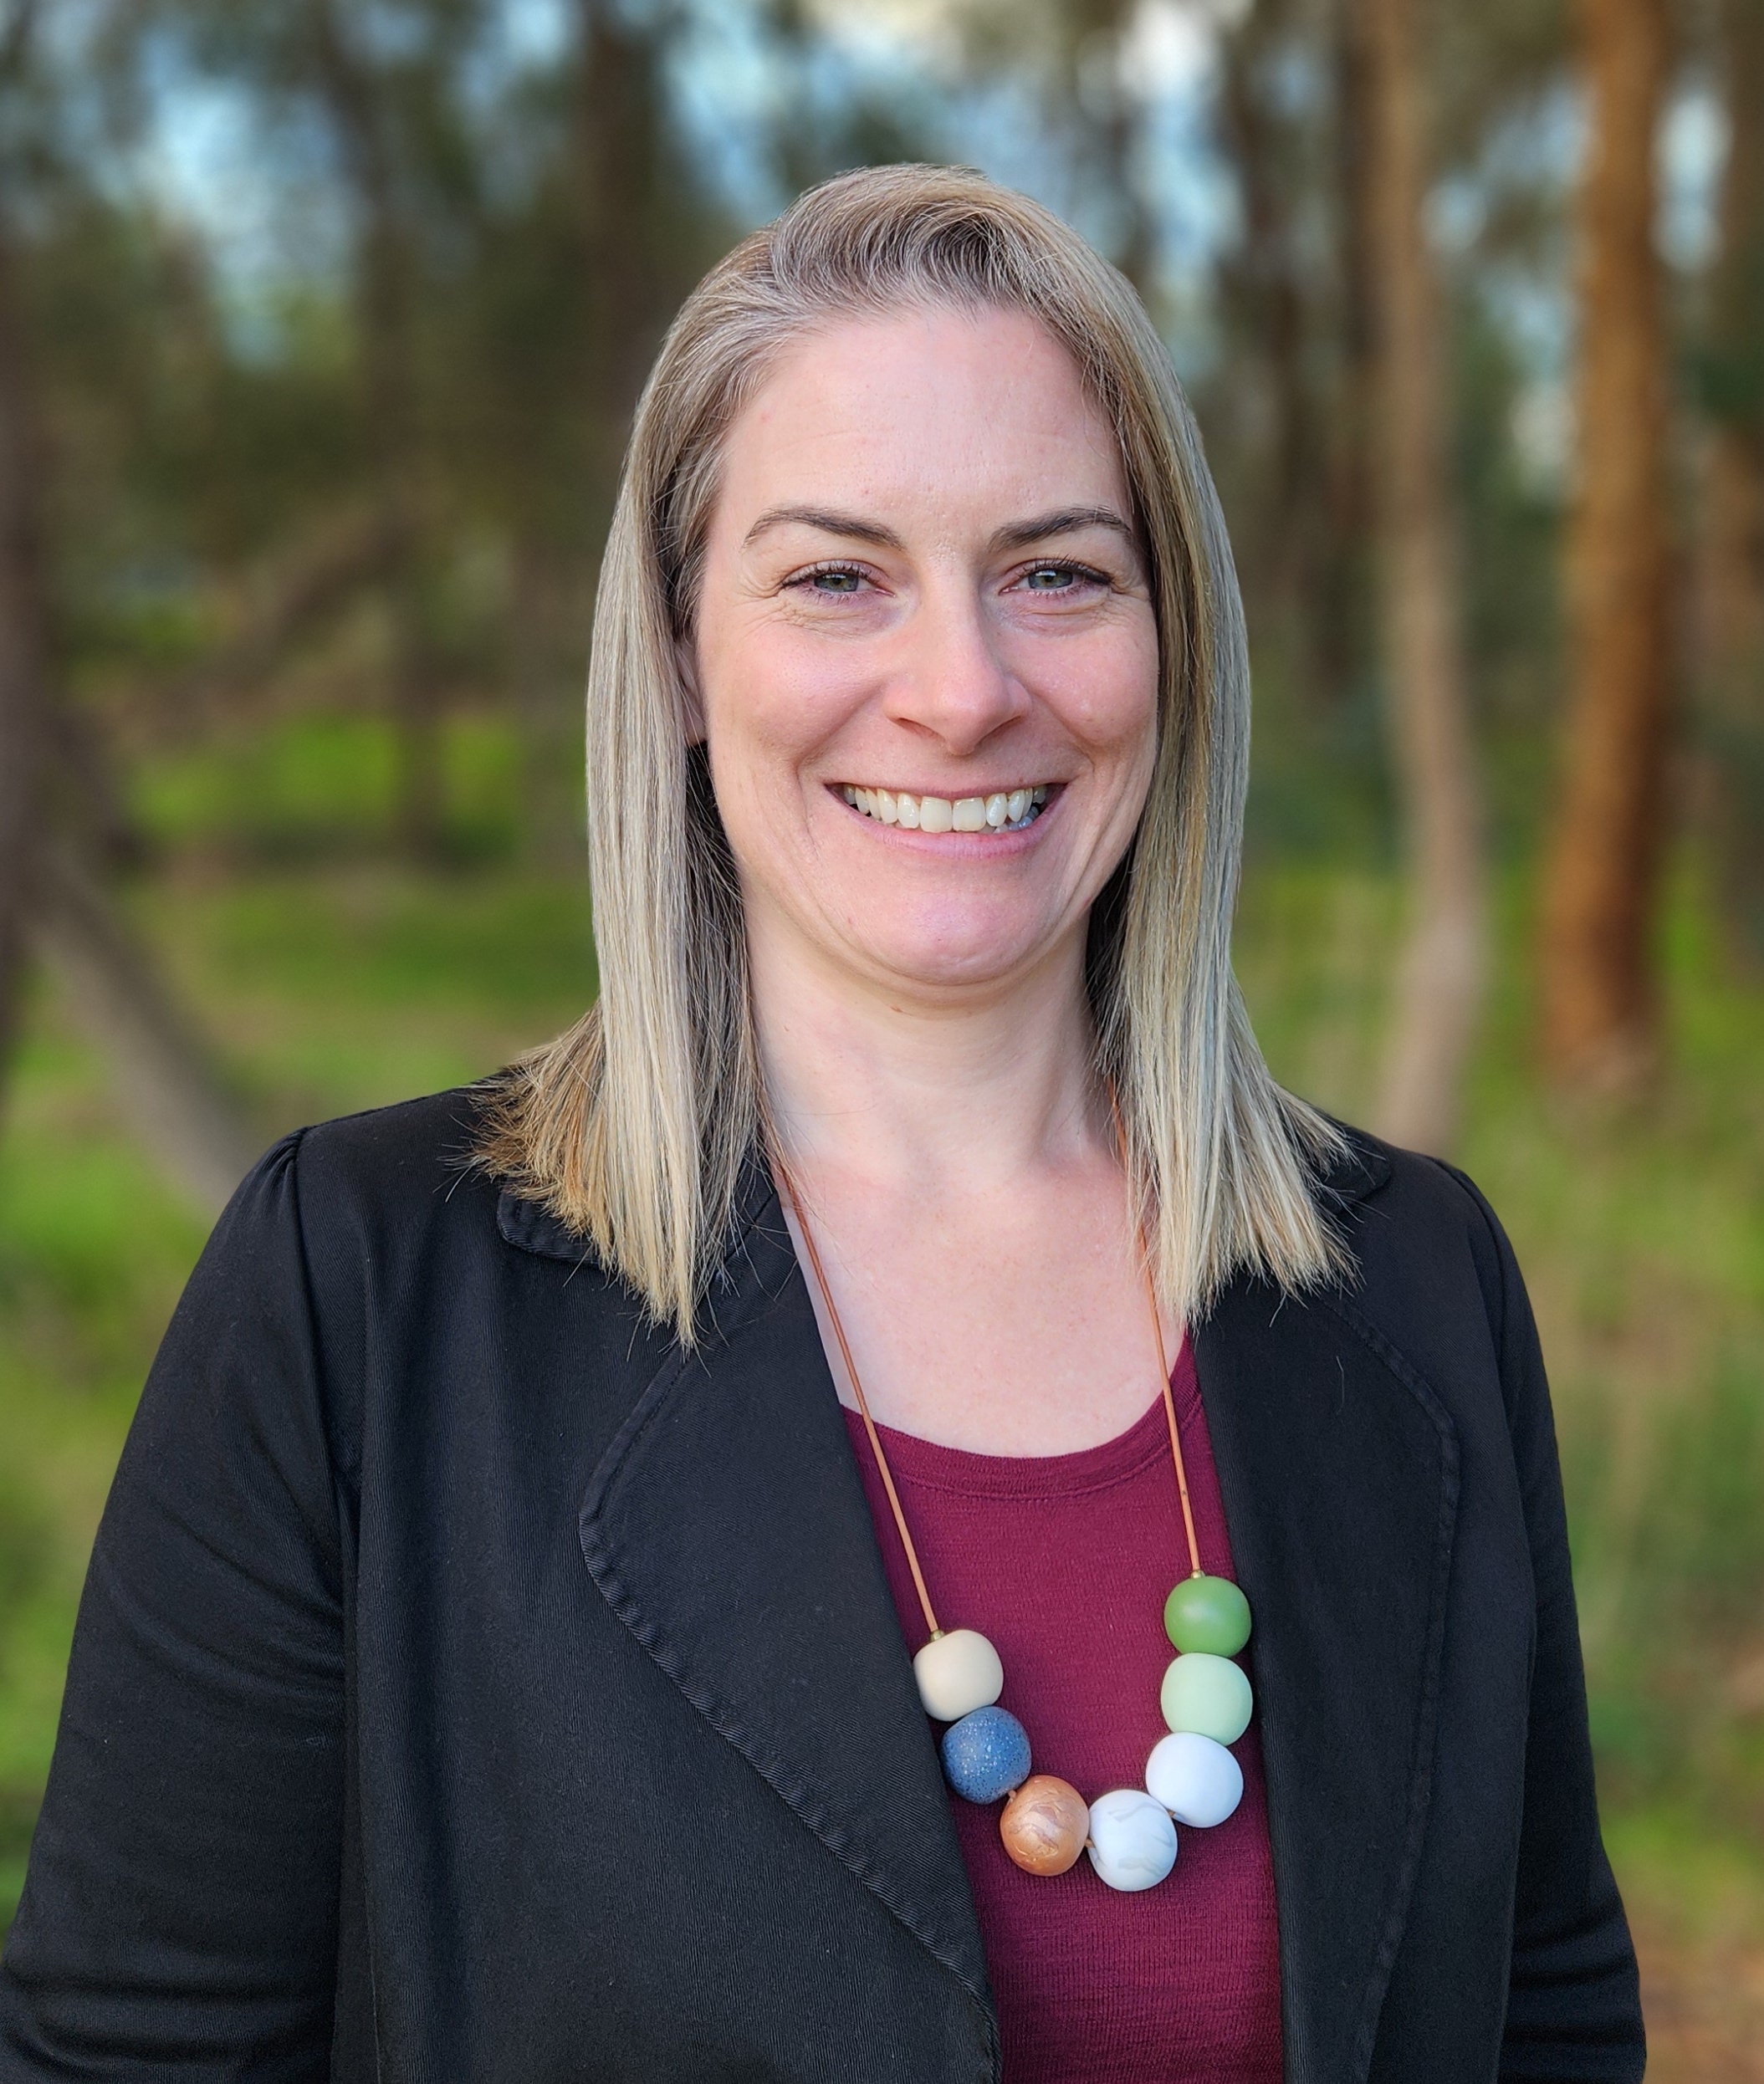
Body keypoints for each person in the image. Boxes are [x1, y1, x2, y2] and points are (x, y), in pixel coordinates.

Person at [0, 165, 1642, 2083]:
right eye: (833, 575)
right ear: (686, 653)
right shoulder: (356, 1301)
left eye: (1055, 571)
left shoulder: (1411, 1280)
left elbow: (1541, 2013)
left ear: (1167, 646)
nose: (958, 689)